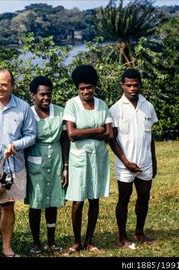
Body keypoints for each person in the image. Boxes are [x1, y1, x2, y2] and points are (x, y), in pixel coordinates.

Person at [0, 68, 36, 257]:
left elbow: (31, 135)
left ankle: (7, 248)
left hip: (13, 166)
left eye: (3, 84)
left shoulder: (23, 107)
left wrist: (15, 145)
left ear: (12, 85)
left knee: (8, 206)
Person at [63, 65, 113, 254]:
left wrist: (88, 133)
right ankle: (76, 242)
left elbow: (109, 133)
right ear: (78, 88)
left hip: (98, 158)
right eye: (82, 88)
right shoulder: (72, 104)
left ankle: (89, 241)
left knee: (94, 198)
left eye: (89, 87)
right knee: (78, 200)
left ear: (94, 86)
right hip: (78, 159)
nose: (86, 91)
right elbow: (71, 133)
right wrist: (97, 130)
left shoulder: (102, 105)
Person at [109, 68, 158, 249]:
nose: (132, 88)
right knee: (124, 198)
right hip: (125, 164)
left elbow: (150, 136)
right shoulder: (115, 109)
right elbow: (112, 140)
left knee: (144, 197)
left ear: (140, 85)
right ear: (122, 85)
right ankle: (122, 237)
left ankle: (139, 232)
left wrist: (153, 160)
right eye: (128, 85)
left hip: (145, 162)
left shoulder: (148, 106)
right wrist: (126, 162)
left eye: (135, 85)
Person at [24, 76, 69, 254]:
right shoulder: (27, 113)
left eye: (49, 94)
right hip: (35, 160)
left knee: (52, 202)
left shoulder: (60, 112)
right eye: (42, 94)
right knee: (36, 202)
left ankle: (51, 241)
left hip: (56, 159)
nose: (46, 98)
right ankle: (36, 242)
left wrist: (66, 166)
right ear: (33, 95)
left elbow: (65, 140)